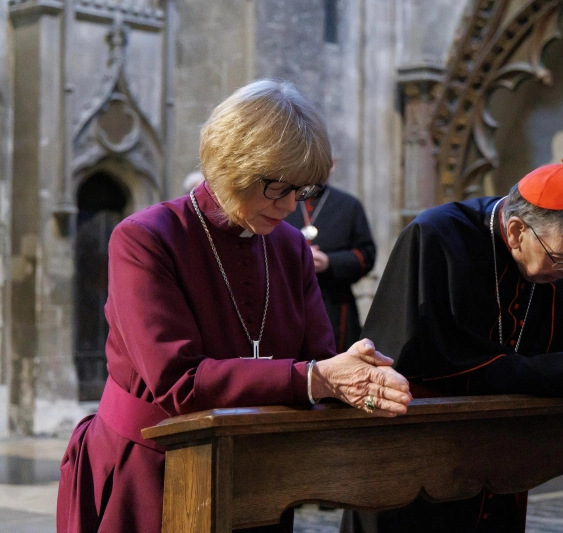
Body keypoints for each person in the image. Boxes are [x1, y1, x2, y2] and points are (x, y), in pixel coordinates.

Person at [57, 79, 412, 533]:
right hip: (150, 470)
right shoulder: (146, 238)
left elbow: (319, 358)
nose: (288, 207)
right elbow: (177, 381)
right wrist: (317, 378)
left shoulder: (289, 248)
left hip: (258, 473)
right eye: (276, 187)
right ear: (233, 164)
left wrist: (356, 370)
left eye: (301, 192)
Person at [341, 161, 563, 533]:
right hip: (420, 457)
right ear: (517, 230)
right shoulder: (436, 237)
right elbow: (443, 363)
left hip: (504, 460)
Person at [285, 161, 376, 352]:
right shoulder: (284, 200)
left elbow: (366, 255)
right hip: (287, 301)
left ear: (333, 165)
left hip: (335, 303)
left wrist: (330, 262)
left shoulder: (349, 205)